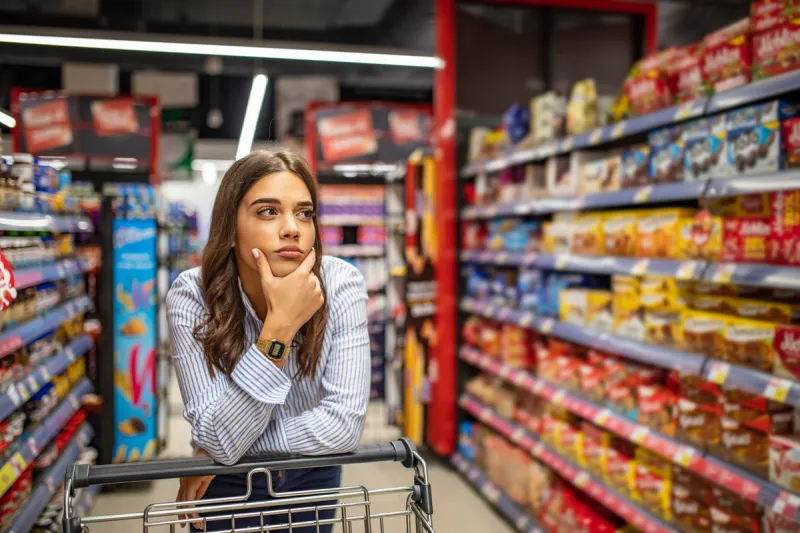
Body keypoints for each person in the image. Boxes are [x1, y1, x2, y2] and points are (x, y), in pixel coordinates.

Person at [166, 150, 370, 532]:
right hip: (226, 484)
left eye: (304, 213)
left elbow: (343, 426)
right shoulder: (193, 295)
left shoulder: (342, 285)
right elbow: (219, 439)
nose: (292, 228)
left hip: (311, 477)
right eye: (268, 211)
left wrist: (218, 446)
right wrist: (280, 326)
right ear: (230, 227)